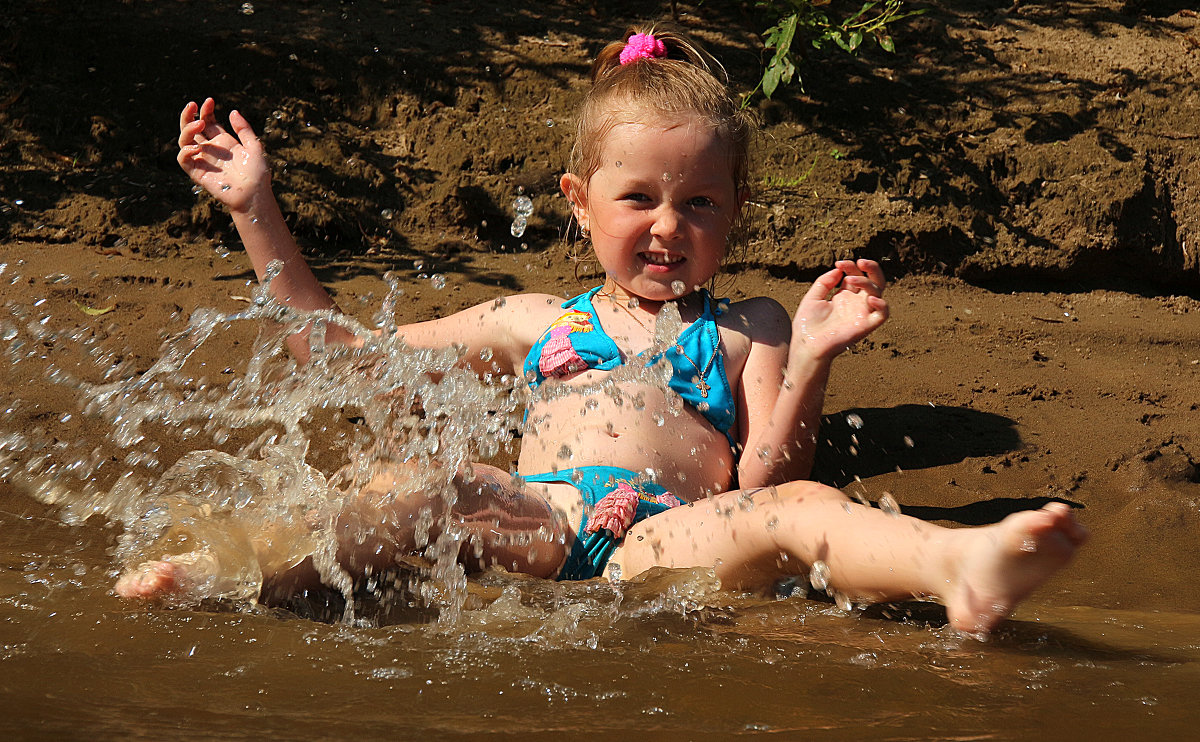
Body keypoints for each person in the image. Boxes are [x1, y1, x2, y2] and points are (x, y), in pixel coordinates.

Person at [116, 27, 1086, 634]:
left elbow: (766, 480)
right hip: (543, 521)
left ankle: (957, 562)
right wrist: (254, 209)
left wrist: (816, 361)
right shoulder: (532, 319)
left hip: (666, 540)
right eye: (639, 199)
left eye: (701, 202)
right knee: (415, 484)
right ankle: (258, 588)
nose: (669, 225)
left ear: (737, 208)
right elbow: (343, 363)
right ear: (580, 205)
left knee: (804, 514)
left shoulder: (750, 326)